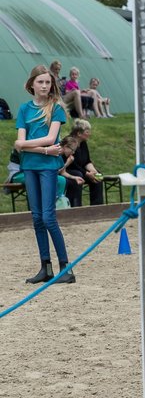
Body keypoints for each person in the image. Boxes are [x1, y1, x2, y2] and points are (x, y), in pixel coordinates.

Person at [14, 65, 74, 284]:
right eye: (40, 82)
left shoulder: (56, 108)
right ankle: (45, 267)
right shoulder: (24, 109)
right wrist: (43, 150)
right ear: (32, 84)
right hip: (29, 166)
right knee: (37, 218)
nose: (45, 86)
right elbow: (24, 145)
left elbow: (50, 138)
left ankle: (65, 268)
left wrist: (26, 144)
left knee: (49, 217)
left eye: (48, 82)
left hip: (48, 167)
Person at [60, 118, 105, 207]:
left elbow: (87, 161)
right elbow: (73, 164)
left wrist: (93, 171)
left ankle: (97, 206)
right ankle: (76, 206)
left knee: (99, 176)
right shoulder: (70, 142)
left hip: (83, 171)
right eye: (87, 131)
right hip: (69, 170)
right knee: (78, 174)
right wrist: (87, 173)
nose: (89, 134)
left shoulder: (83, 143)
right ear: (79, 133)